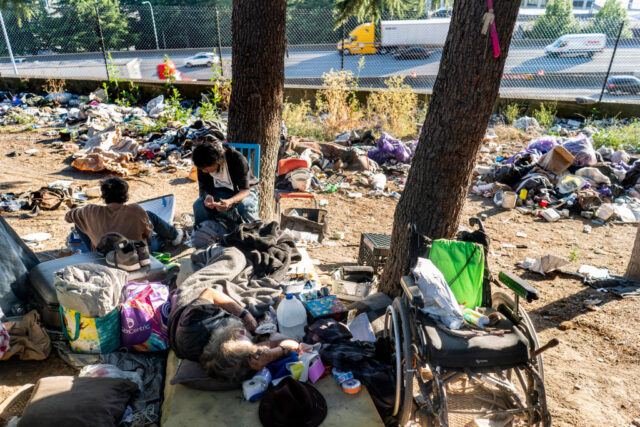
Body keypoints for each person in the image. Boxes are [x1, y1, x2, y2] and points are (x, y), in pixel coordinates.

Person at [169, 287, 299, 384]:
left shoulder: (194, 324)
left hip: (188, 306)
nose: (245, 332)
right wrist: (275, 353)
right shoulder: (239, 358)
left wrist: (244, 315)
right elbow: (293, 342)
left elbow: (210, 292)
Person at [65, 177, 184, 250]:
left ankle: (93, 253)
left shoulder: (89, 211)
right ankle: (174, 234)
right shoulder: (136, 210)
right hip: (134, 255)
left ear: (103, 196)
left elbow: (68, 217)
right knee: (150, 219)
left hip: (104, 255)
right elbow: (147, 233)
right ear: (125, 195)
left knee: (79, 223)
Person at [191, 142, 259, 227]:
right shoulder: (202, 165)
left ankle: (254, 233)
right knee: (199, 205)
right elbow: (203, 187)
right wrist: (207, 196)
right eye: (202, 169)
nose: (204, 171)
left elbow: (245, 190)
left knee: (245, 206)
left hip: (244, 191)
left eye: (206, 168)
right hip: (220, 191)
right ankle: (203, 232)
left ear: (217, 161)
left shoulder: (236, 158)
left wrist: (230, 201)